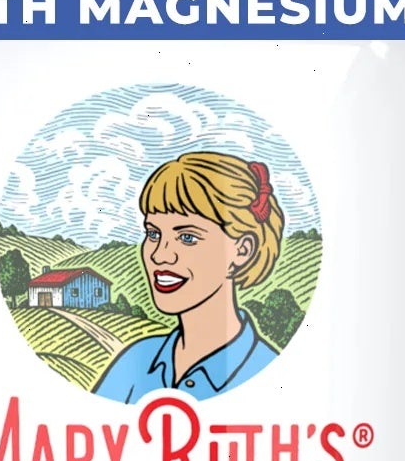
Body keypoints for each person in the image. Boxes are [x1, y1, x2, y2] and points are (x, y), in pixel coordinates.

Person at [95, 151, 285, 401]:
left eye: (187, 237)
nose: (160, 255)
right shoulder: (135, 360)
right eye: (153, 234)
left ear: (242, 250)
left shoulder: (272, 373)